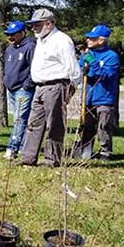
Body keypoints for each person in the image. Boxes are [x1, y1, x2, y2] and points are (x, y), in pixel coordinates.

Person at [20, 9, 81, 167]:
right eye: (32, 25)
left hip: (56, 86)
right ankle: (28, 158)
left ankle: (52, 160)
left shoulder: (61, 40)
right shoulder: (41, 40)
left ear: (49, 24)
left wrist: (70, 89)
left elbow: (73, 69)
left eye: (37, 25)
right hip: (40, 87)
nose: (34, 28)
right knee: (33, 123)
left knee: (54, 124)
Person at [76, 25, 119, 161]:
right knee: (87, 126)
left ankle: (105, 153)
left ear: (101, 40)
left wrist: (93, 64)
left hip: (104, 98)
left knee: (104, 127)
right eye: (88, 37)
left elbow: (105, 75)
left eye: (92, 38)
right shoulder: (87, 55)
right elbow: (81, 71)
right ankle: (85, 152)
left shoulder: (111, 57)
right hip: (88, 98)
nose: (88, 39)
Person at [2, 21, 36, 159]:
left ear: (22, 33)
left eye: (13, 34)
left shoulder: (30, 47)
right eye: (8, 35)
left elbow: (34, 68)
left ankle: (12, 148)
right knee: (21, 119)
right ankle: (23, 146)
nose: (10, 38)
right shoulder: (9, 49)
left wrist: (26, 85)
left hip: (23, 89)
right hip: (11, 88)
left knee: (19, 119)